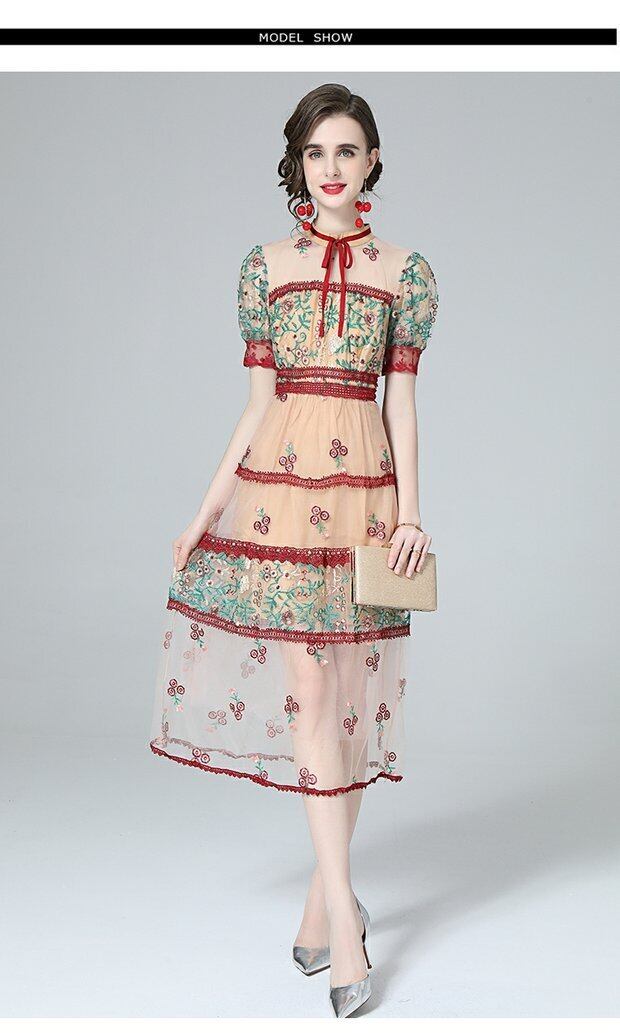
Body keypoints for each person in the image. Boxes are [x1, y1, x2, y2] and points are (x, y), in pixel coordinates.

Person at [149, 82, 439, 1018]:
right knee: (311, 693)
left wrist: (413, 514)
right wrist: (204, 511)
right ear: (298, 164)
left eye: (347, 151)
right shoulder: (264, 267)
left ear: (374, 161)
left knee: (349, 700)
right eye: (316, 153)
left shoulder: (406, 273)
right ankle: (347, 929)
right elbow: (258, 406)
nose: (331, 169)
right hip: (280, 496)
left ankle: (324, 903)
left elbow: (402, 405)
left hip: (365, 499)